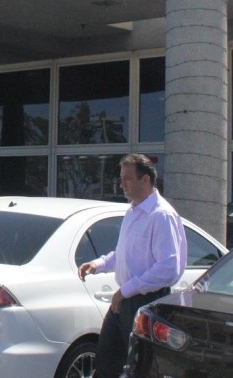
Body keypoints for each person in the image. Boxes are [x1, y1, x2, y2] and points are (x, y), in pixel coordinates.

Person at [78, 154, 187, 378]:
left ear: (145, 180)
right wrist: (98, 264)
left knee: (142, 366)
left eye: (127, 179)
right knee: (107, 361)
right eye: (121, 178)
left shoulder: (161, 215)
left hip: (147, 301)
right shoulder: (132, 211)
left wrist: (125, 291)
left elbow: (168, 268)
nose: (121, 184)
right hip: (125, 300)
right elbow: (126, 254)